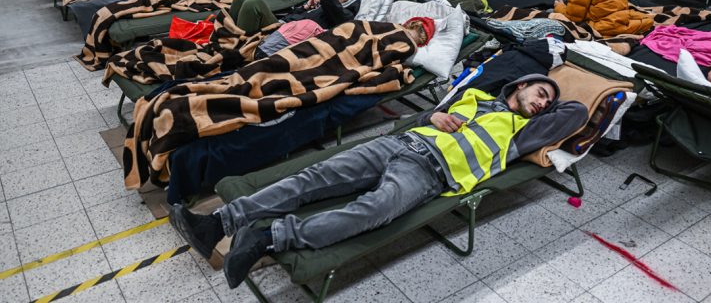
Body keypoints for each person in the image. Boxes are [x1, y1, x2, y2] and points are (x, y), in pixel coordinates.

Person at [170, 57, 588, 289]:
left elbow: (578, 112)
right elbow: (427, 114)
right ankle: (218, 223)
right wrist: (437, 116)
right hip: (399, 144)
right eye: (538, 92)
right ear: (517, 86)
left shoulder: (522, 133)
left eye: (546, 102)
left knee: (376, 209)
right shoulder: (474, 96)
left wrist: (557, 76)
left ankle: (263, 238)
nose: (542, 103)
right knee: (312, 179)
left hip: (430, 176)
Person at [229, 0, 358, 34]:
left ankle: (239, 42)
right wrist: (305, 8)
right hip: (281, 24)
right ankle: (228, 33)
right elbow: (292, 17)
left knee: (254, 2)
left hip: (282, 33)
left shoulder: (345, 15)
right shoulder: (323, 7)